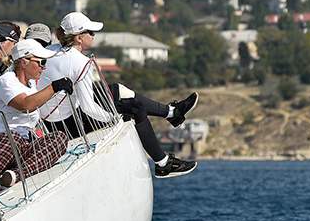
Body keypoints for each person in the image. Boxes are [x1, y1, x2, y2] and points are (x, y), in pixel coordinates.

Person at [38, 11, 200, 178]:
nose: (94, 35)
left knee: (115, 89)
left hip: (50, 122)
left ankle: (172, 113)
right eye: (90, 32)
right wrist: (114, 118)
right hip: (69, 125)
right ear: (79, 38)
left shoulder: (50, 51)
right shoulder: (81, 63)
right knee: (135, 109)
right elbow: (88, 108)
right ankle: (163, 164)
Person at [0, 39, 74, 187]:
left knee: (60, 138)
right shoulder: (6, 80)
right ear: (23, 62)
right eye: (41, 62)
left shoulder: (32, 85)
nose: (43, 67)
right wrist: (54, 87)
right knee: (14, 139)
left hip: (20, 145)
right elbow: (25, 105)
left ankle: (14, 175)